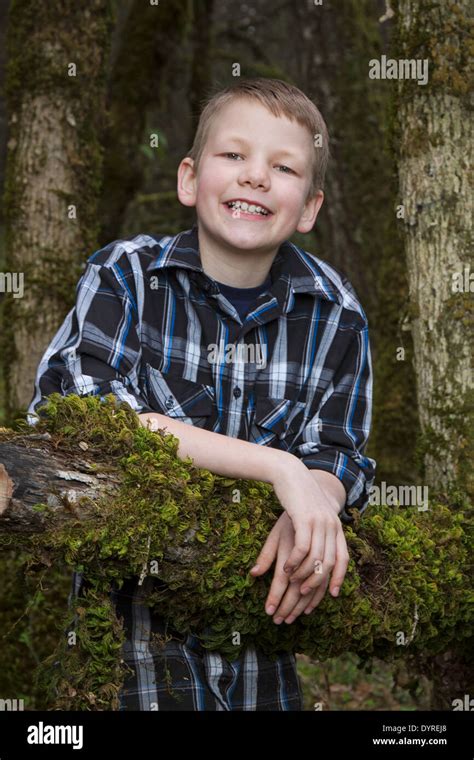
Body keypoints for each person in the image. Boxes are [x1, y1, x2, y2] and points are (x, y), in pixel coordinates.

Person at [27, 77, 376, 710]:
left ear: (309, 209)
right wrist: (278, 467)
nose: (256, 177)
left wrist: (315, 503)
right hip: (127, 658)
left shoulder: (336, 313)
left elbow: (339, 452)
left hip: (260, 662)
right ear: (189, 179)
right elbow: (81, 416)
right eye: (234, 155)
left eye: (284, 167)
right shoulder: (126, 277)